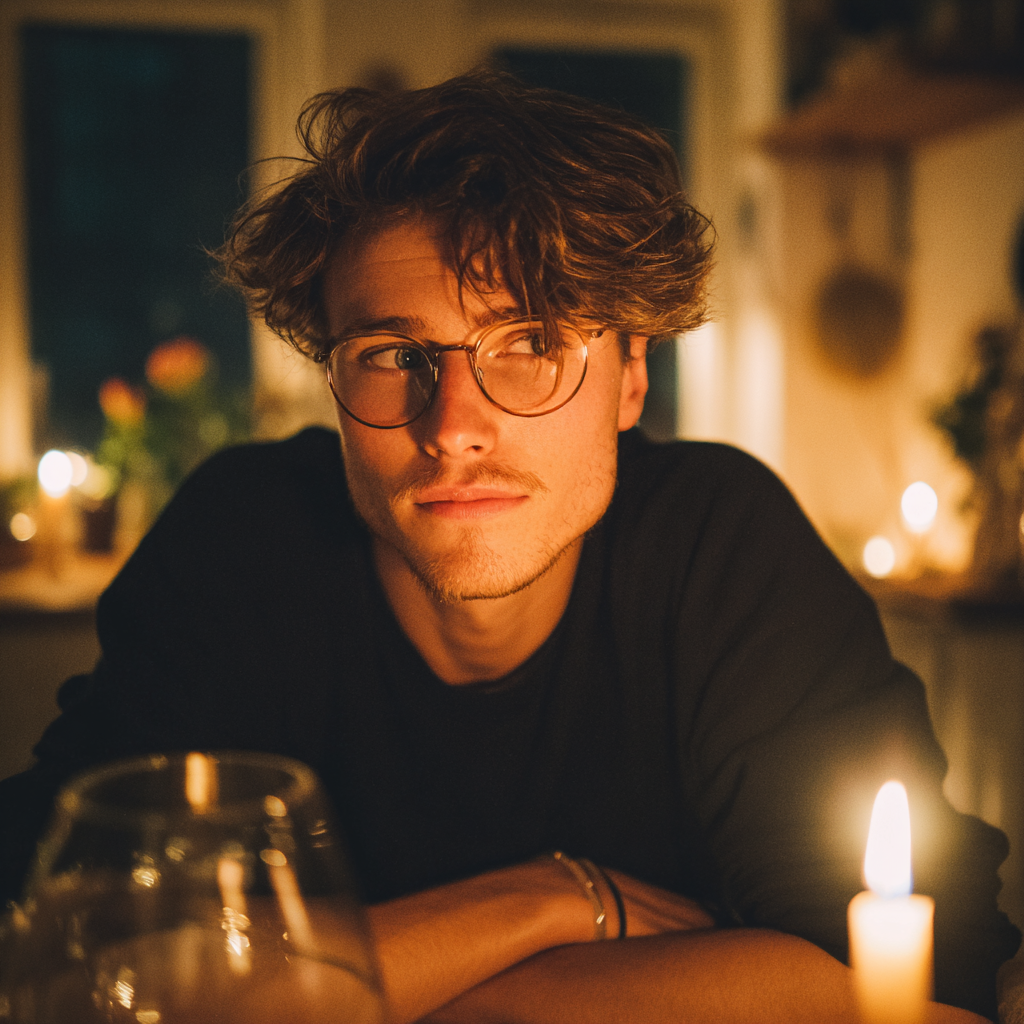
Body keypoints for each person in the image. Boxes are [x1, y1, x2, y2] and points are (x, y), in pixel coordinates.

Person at [0, 70, 1018, 1023]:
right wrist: (549, 901)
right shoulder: (246, 539)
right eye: (394, 355)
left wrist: (344, 986)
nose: (452, 426)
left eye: (530, 344)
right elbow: (63, 946)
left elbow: (904, 976)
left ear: (631, 379)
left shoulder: (719, 548)